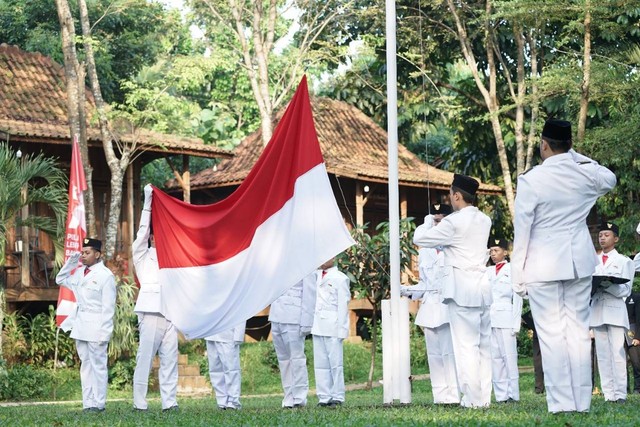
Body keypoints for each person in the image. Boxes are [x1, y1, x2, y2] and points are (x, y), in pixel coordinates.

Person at [511, 119, 617, 413]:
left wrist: (517, 272)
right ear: (570, 145)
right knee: (579, 333)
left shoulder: (532, 179)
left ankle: (560, 403)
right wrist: (576, 157)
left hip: (543, 264)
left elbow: (523, 231)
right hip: (578, 262)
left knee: (551, 334)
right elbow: (610, 178)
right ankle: (581, 402)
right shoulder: (584, 173)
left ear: (544, 144)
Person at [413, 174, 492, 408]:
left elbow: (420, 238)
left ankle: (473, 400)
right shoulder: (484, 219)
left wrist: (428, 221)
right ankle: (484, 397)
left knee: (465, 347)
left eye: (450, 194)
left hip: (461, 288)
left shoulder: (454, 222)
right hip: (482, 288)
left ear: (456, 196)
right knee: (484, 348)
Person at [401, 203, 459, 405]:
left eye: (440, 220)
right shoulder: (425, 251)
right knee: (434, 355)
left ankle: (453, 395)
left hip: (447, 305)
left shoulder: (453, 247)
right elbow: (425, 284)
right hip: (430, 306)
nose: (437, 224)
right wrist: (407, 290)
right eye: (435, 220)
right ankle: (440, 396)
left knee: (449, 354)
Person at [131, 184, 179, 412]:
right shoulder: (142, 254)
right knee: (145, 358)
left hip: (171, 310)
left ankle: (169, 402)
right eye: (156, 232)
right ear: (150, 236)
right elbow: (141, 229)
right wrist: (148, 200)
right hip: (150, 311)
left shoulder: (173, 257)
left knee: (170, 359)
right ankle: (139, 403)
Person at [56, 238, 117, 413]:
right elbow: (60, 279)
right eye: (82, 252)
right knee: (86, 365)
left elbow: (108, 309)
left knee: (98, 366)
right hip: (81, 325)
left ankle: (99, 404)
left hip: (97, 326)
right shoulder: (79, 273)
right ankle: (88, 403)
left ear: (97, 254)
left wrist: (105, 333)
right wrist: (71, 262)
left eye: (87, 252)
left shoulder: (105, 276)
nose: (83, 255)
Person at [590, 222, 634, 403]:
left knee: (617, 353)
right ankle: (609, 395)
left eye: (606, 235)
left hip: (615, 309)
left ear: (615, 239)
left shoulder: (625, 261)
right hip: (598, 309)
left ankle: (620, 394)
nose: (602, 238)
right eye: (600, 235)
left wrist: (607, 285)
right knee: (602, 354)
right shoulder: (592, 261)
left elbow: (626, 290)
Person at [269, 272, 317, 408]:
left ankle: (299, 397)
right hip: (276, 315)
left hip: (293, 316)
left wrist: (307, 322)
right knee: (284, 360)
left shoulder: (306, 263)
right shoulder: (280, 263)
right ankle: (288, 397)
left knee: (296, 359)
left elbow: (310, 295)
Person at [312, 257, 350, 407]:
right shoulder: (315, 275)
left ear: (334, 257)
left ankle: (338, 396)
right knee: (320, 364)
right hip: (318, 324)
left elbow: (343, 306)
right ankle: (324, 396)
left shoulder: (340, 278)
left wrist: (342, 330)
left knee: (335, 364)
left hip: (333, 324)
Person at [487, 238, 522, 403]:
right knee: (496, 358)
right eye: (491, 251)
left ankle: (513, 394)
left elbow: (518, 298)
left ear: (505, 252)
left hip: (507, 316)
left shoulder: (512, 269)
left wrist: (516, 323)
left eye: (496, 250)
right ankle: (501, 395)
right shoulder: (488, 271)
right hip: (491, 318)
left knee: (509, 357)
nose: (493, 254)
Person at [205, 323, 245, 410]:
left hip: (228, 334)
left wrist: (239, 335)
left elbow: (241, 311)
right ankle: (221, 402)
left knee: (231, 369)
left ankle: (233, 402)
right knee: (215, 369)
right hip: (210, 332)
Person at [625, 290, 640, 394]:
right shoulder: (613, 297)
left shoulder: (636, 296)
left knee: (636, 362)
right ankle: (624, 388)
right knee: (621, 363)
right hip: (618, 332)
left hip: (632, 333)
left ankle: (637, 388)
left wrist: (638, 337)